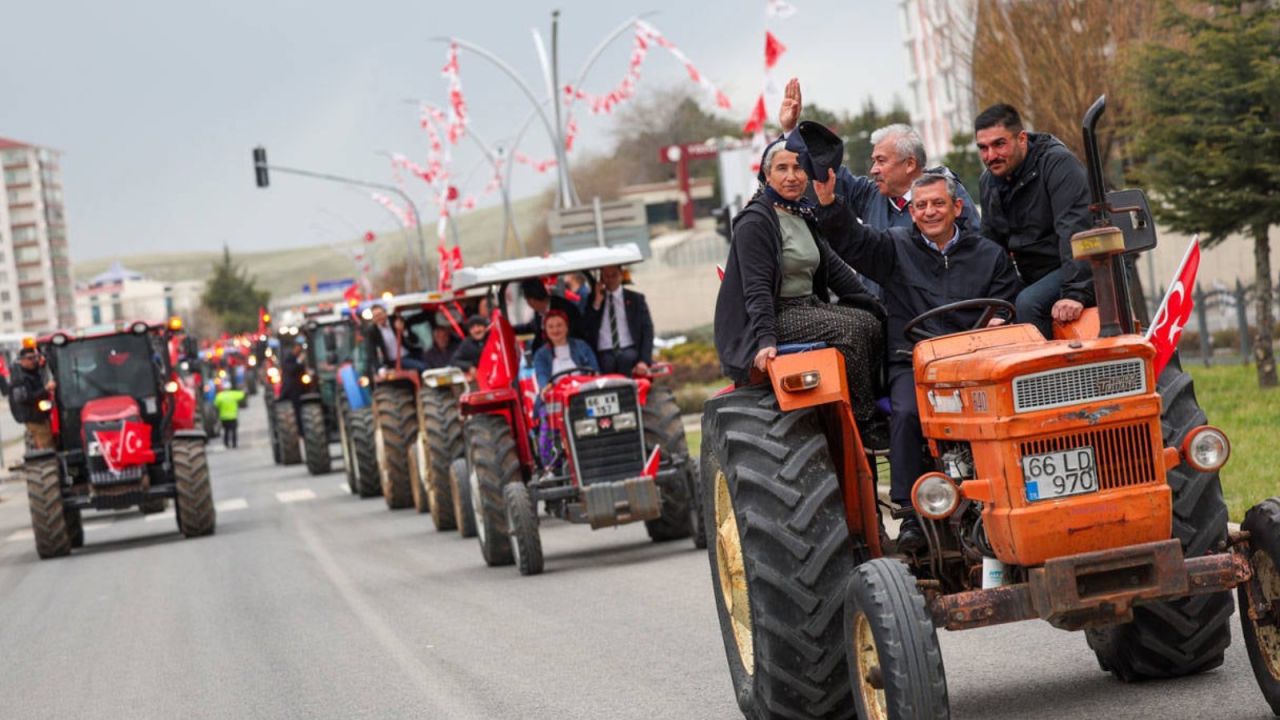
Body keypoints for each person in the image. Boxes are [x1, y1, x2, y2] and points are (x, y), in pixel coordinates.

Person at [815, 170, 1021, 551]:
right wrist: (829, 204)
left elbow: (1006, 304)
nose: (929, 212)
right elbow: (854, 242)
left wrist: (997, 321)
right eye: (921, 205)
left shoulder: (988, 255)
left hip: (975, 364)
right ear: (910, 212)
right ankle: (912, 515)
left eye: (938, 204)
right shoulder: (893, 248)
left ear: (957, 208)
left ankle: (1009, 495)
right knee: (907, 412)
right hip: (913, 361)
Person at [714, 136, 888, 449]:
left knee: (874, 323)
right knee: (851, 330)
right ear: (767, 175)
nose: (792, 176)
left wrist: (874, 305)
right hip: (772, 316)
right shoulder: (755, 222)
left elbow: (834, 268)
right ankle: (864, 423)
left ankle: (875, 404)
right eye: (782, 168)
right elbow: (756, 289)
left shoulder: (803, 213)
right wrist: (765, 340)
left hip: (807, 307)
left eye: (798, 167)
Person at [779, 78, 980, 234]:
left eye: (881, 161)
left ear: (910, 163)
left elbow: (974, 252)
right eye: (874, 160)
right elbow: (826, 170)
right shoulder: (869, 196)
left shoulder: (947, 194)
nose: (873, 169)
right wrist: (791, 131)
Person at [974, 103, 1094, 339]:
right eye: (983, 148)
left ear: (1021, 138)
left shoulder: (1058, 164)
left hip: (1084, 264)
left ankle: (1047, 376)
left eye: (999, 144)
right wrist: (997, 308)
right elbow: (992, 250)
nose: (991, 156)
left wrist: (1076, 293)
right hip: (1034, 273)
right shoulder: (989, 182)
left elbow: (1075, 230)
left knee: (1029, 302)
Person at [532, 310, 599, 465]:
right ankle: (550, 464)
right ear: (546, 330)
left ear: (567, 327)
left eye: (559, 325)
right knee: (546, 424)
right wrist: (545, 388)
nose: (556, 330)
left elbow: (594, 370)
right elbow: (542, 376)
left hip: (582, 395)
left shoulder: (581, 346)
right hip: (555, 399)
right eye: (551, 327)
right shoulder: (541, 355)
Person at [583, 265, 655, 376]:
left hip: (628, 348)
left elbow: (647, 330)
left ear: (621, 275)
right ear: (601, 278)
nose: (610, 279)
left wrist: (644, 361)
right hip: (604, 351)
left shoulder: (636, 299)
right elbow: (586, 327)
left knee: (626, 359)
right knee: (607, 363)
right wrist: (597, 302)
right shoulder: (593, 300)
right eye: (606, 276)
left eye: (614, 275)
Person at [515, 279, 586, 354]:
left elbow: (574, 334)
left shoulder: (564, 309)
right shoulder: (539, 312)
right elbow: (533, 327)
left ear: (531, 301)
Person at [9, 347, 55, 449]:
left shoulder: (33, 371)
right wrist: (46, 389)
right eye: (30, 358)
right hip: (34, 419)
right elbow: (24, 398)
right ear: (22, 360)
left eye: (35, 357)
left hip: (42, 416)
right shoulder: (19, 378)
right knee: (46, 447)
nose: (33, 361)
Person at [365, 304, 428, 376]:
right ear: (373, 319)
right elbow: (371, 352)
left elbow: (414, 340)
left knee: (430, 362)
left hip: (411, 353)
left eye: (380, 314)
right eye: (375, 316)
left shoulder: (396, 320)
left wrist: (404, 330)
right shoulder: (372, 331)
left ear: (385, 313)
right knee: (422, 367)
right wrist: (379, 368)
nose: (379, 318)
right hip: (395, 361)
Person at [213, 383, 245, 448]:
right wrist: (242, 389)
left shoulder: (219, 396)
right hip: (233, 416)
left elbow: (215, 404)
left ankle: (226, 444)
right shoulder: (233, 394)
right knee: (234, 431)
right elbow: (242, 395)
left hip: (224, 417)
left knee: (226, 431)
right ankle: (234, 444)